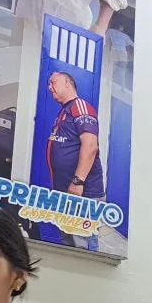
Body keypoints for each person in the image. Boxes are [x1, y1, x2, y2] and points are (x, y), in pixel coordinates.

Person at [45, 71, 105, 250]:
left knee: (83, 245)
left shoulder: (80, 106)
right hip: (65, 192)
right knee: (69, 242)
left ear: (67, 83)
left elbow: (90, 145)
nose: (49, 87)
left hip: (81, 192)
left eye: (53, 82)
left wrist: (78, 182)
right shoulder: (64, 111)